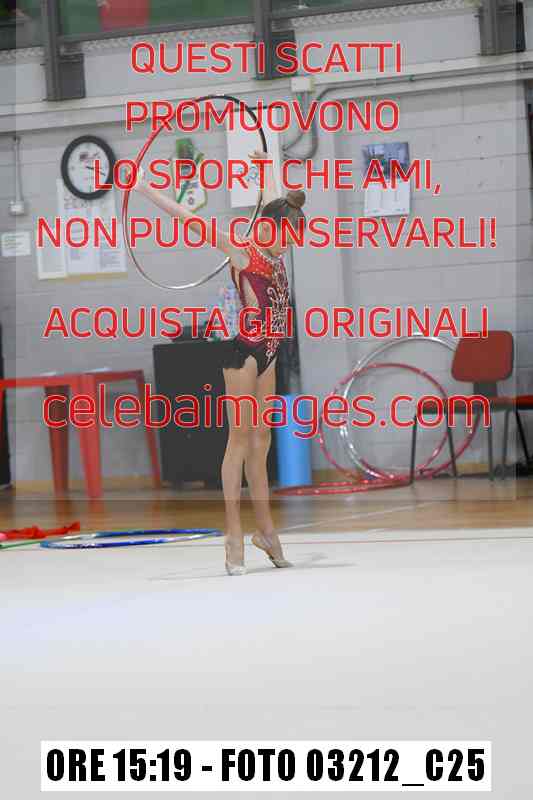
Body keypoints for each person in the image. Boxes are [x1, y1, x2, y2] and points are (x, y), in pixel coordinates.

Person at [133, 151, 306, 575]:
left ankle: (266, 532)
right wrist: (145, 188)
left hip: (270, 352)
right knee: (239, 442)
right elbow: (189, 220)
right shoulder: (243, 251)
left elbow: (273, 199)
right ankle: (233, 535)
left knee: (263, 443)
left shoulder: (276, 250)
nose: (290, 245)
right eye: (287, 236)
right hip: (243, 354)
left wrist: (266, 167)